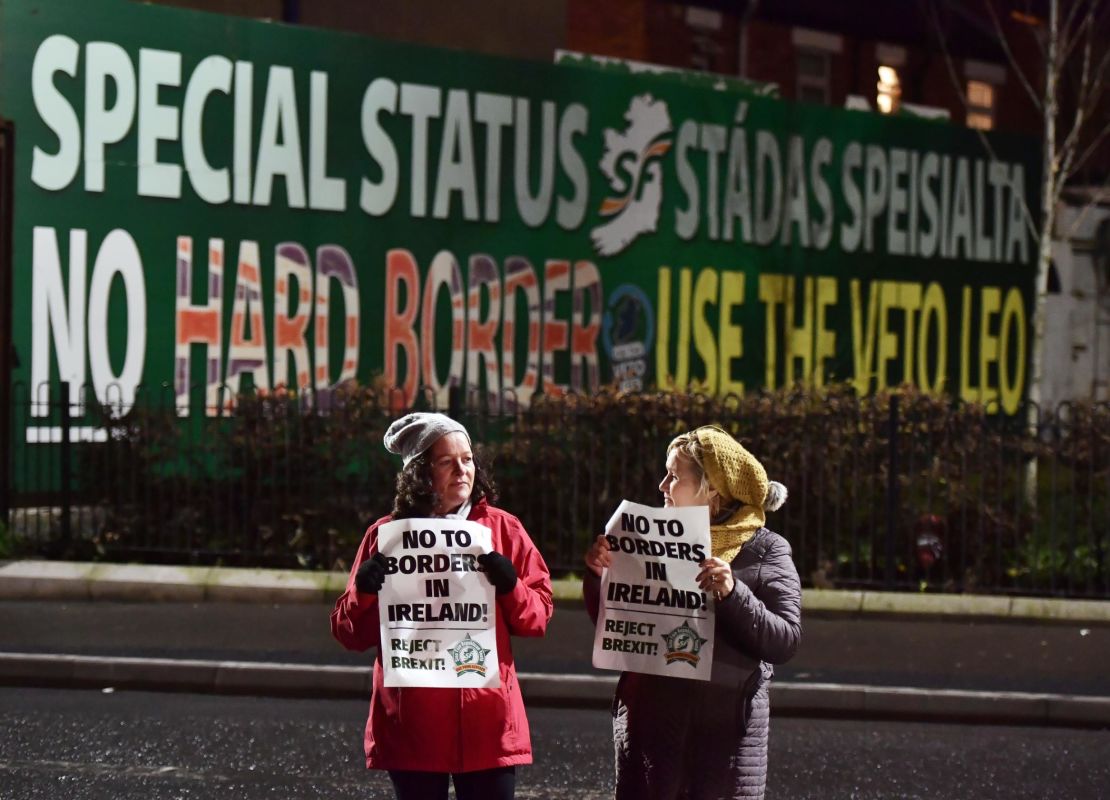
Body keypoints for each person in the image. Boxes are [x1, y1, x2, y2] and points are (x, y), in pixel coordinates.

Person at [331, 412, 553, 800]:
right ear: (420, 473)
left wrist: (510, 585)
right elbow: (349, 634)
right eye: (446, 461)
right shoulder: (385, 537)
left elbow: (538, 618)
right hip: (413, 725)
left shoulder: (504, 529)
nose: (462, 470)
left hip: (488, 724)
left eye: (467, 459)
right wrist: (362, 595)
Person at [583, 425, 802, 800]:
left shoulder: (765, 549)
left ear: (712, 488)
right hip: (651, 734)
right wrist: (597, 574)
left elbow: (784, 640)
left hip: (723, 744)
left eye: (674, 476)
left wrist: (733, 593)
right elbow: (615, 623)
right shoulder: (647, 537)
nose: (662, 485)